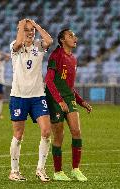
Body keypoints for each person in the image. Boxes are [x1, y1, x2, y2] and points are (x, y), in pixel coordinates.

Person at [8, 18, 53, 182]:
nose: (30, 32)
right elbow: (19, 43)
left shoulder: (39, 47)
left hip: (37, 96)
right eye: (26, 30)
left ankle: (40, 168)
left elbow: (49, 40)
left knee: (47, 131)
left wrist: (36, 25)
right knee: (18, 135)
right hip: (19, 96)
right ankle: (14, 171)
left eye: (31, 30)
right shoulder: (15, 46)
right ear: (20, 30)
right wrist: (22, 26)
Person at [45, 29, 92, 181]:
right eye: (70, 35)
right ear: (62, 40)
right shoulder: (55, 56)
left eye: (74, 35)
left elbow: (69, 86)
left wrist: (81, 101)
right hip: (54, 99)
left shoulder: (73, 59)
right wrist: (59, 100)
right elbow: (49, 81)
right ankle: (58, 172)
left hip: (69, 98)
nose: (75, 37)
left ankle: (75, 169)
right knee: (59, 136)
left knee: (76, 131)